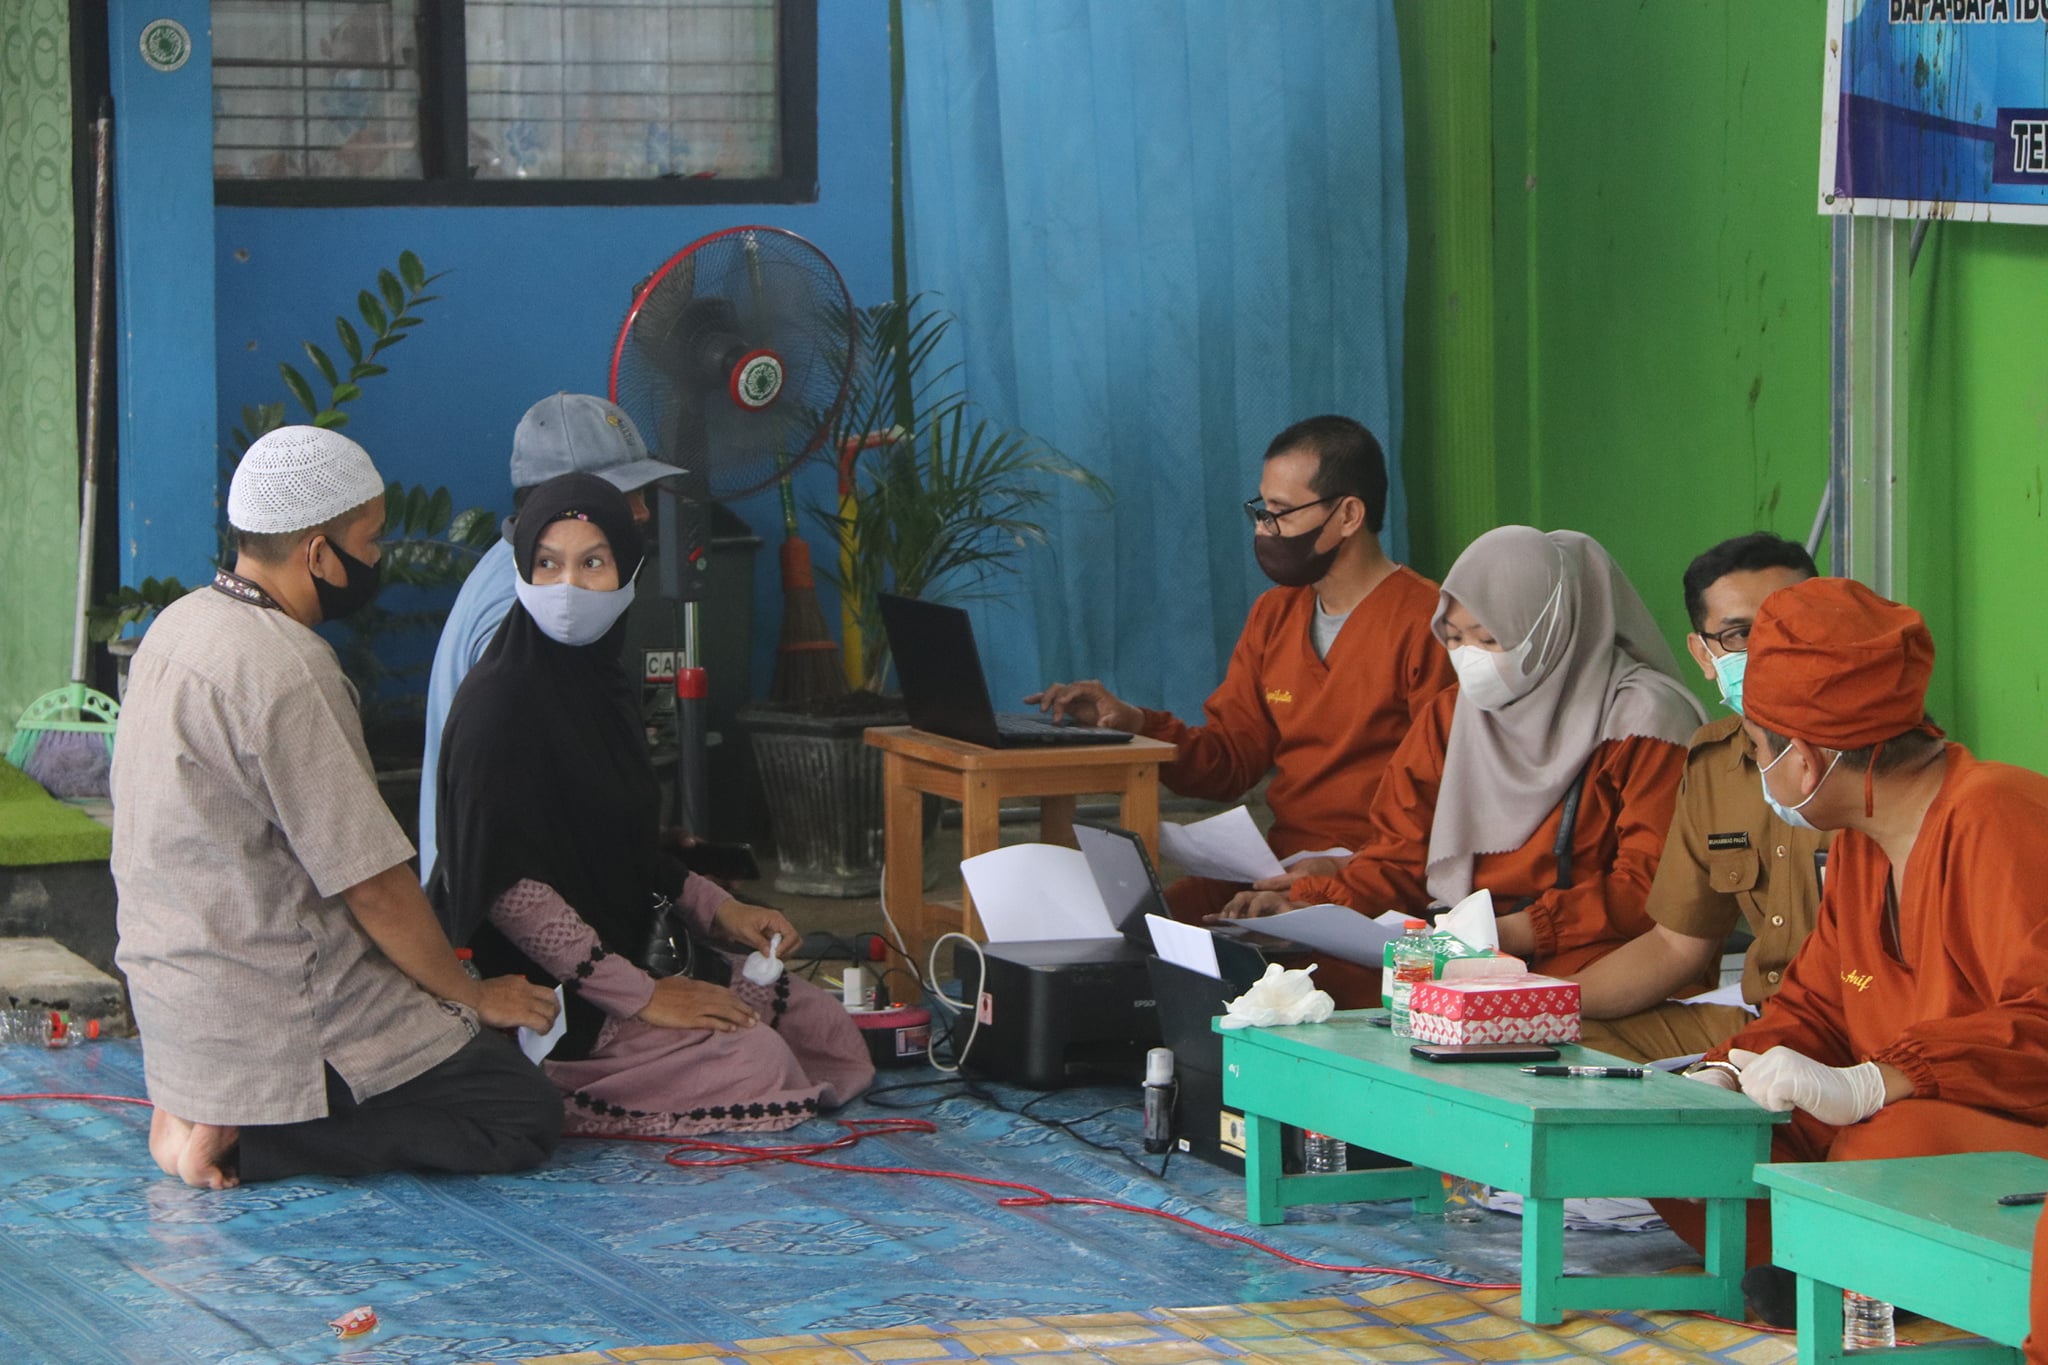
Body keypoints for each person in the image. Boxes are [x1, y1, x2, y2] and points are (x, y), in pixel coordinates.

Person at [112, 426, 563, 1190]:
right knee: (523, 1110)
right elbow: (374, 885)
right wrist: (469, 994)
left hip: (178, 1008)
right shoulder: (288, 667)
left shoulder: (178, 627)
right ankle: (250, 1142)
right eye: (370, 540)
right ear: (319, 553)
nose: (379, 557)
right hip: (277, 1010)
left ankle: (205, 1108)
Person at [435, 473, 874, 1136]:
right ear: (522, 570)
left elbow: (626, 849)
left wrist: (721, 909)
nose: (568, 588)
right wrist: (642, 997)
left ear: (629, 573)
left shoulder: (602, 688)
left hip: (632, 947)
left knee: (824, 1029)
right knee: (756, 1061)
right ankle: (551, 1086)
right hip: (545, 988)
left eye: (593, 563)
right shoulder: (498, 706)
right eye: (547, 564)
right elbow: (509, 891)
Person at [1664, 577, 2048, 1324]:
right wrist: (1725, 1071)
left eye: (1757, 748)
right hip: (1881, 1126)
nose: (1759, 768)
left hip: (1991, 1127)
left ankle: (1848, 1271)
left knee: (1891, 1144)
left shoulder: (1997, 816)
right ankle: (1831, 1267)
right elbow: (1815, 1008)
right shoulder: (1860, 844)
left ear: (1805, 761)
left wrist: (1886, 1079)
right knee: (1690, 1147)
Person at [1219, 527, 1706, 1002]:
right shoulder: (1452, 717)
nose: (1469, 658)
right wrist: (1307, 904)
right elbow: (1401, 857)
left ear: (1551, 629)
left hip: (1595, 953)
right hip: (1463, 944)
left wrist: (1513, 932)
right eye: (1453, 638)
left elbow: (1650, 889)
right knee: (1308, 989)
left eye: (1488, 639)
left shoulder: (1643, 721)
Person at [1028, 416, 1455, 921]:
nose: (1263, 528)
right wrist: (1134, 723)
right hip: (1280, 865)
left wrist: (1334, 877)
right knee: (1139, 926)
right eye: (1260, 509)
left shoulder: (1432, 624)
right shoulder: (1274, 615)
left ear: (1348, 515)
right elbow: (1230, 760)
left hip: (1378, 880)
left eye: (1281, 512)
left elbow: (1439, 804)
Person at [1575, 533, 1827, 1063]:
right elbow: (1675, 946)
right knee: (1558, 1036)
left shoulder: (1868, 756)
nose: (1771, 647)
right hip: (1763, 1019)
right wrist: (1535, 1003)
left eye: (1790, 623)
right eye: (1740, 634)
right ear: (1704, 654)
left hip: (1851, 1027)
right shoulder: (1713, 764)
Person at [418, 392, 677, 884]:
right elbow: (509, 841)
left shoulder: (522, 573)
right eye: (624, 493)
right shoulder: (526, 607)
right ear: (561, 502)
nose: (642, 511)